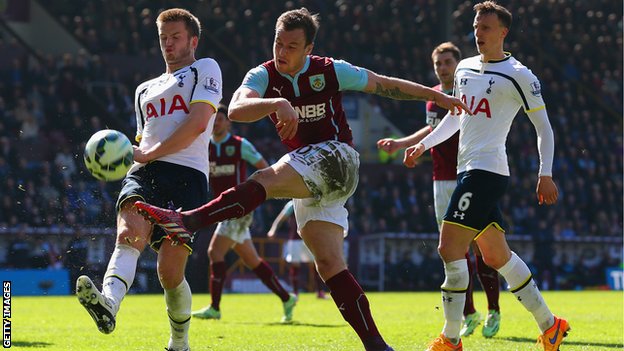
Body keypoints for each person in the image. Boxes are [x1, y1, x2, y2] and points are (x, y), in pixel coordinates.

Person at [135, 7, 469, 351]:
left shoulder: (330, 70)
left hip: (338, 157)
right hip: (309, 175)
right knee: (329, 264)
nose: (282, 52)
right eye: (278, 43)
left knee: (265, 177)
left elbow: (384, 85)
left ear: (309, 49)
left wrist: (436, 96)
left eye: (292, 46)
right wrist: (277, 102)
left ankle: (189, 220)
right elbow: (235, 108)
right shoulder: (263, 75)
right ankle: (377, 345)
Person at [402, 2, 570, 350]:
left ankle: (450, 339)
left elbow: (544, 128)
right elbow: (455, 117)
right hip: (469, 170)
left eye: (486, 28)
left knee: (449, 247)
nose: (479, 34)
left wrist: (546, 172)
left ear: (503, 32)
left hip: (487, 172)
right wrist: (423, 145)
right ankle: (550, 325)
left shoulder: (519, 75)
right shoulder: (464, 68)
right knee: (496, 256)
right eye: (477, 27)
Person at [75, 8, 222, 351]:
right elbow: (142, 142)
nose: (168, 44)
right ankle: (108, 304)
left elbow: (199, 123)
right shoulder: (144, 90)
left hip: (188, 176)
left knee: (169, 274)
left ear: (193, 40)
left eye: (175, 37)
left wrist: (147, 152)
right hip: (144, 173)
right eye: (163, 38)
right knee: (128, 235)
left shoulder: (206, 69)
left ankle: (180, 343)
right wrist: (127, 154)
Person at [377, 42, 501, 339]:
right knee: (453, 251)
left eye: (447, 62)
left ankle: (494, 308)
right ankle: (469, 313)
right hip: (440, 181)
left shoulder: (469, 92)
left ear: (458, 64)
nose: (443, 68)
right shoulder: (432, 98)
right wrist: (401, 143)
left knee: (483, 246)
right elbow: (432, 129)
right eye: (438, 64)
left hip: (469, 176)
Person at [191, 104, 297, 323]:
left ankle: (214, 308)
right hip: (224, 210)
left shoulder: (240, 145)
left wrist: (256, 192)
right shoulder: (204, 147)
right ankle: (287, 298)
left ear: (228, 123)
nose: (216, 123)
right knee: (252, 260)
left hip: (239, 208)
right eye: (214, 120)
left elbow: (264, 167)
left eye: (220, 119)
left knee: (214, 253)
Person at [267, 199, 327, 299]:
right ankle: (295, 293)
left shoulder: (311, 202)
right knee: (295, 265)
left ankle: (319, 292)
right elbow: (281, 218)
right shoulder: (292, 205)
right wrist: (273, 229)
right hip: (295, 240)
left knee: (315, 265)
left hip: (310, 239)